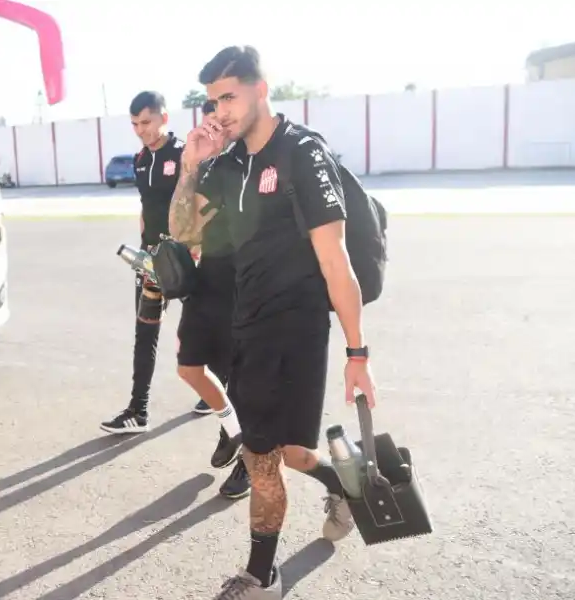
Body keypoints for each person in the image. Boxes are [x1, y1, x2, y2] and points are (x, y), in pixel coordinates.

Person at [169, 46, 379, 599]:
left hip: (295, 328)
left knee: (260, 455)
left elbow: (337, 260)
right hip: (247, 324)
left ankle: (261, 575)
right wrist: (190, 167)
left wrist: (358, 355)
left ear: (262, 90)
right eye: (213, 101)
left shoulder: (301, 153)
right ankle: (343, 486)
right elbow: (185, 232)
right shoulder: (228, 162)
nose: (221, 111)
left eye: (230, 97)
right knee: (283, 451)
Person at [172, 100, 250, 499]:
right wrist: (189, 163)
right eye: (209, 123)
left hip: (248, 284)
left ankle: (248, 460)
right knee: (190, 367)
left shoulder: (250, 161)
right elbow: (184, 233)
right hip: (210, 280)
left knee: (242, 379)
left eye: (222, 122)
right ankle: (232, 428)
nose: (214, 129)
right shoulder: (210, 168)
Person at [100, 91, 185, 435]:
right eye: (135, 124)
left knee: (203, 336)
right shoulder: (139, 160)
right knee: (145, 332)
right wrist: (144, 250)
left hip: (187, 259)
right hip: (151, 262)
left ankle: (220, 402)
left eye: (146, 122)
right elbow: (145, 209)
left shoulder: (183, 155)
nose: (140, 130)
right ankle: (139, 410)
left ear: (164, 117)